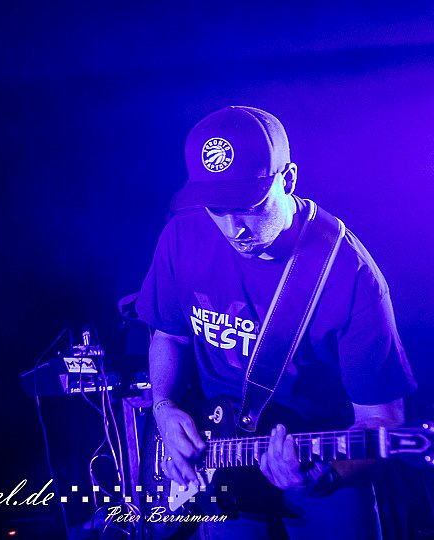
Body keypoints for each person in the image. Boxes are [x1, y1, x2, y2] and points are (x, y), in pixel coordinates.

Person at [136, 106, 416, 539]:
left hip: (319, 460)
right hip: (217, 459)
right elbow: (169, 336)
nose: (234, 228)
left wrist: (330, 476)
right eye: (217, 209)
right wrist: (164, 407)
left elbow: (382, 420)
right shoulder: (182, 236)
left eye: (249, 206)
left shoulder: (350, 275)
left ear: (288, 179)